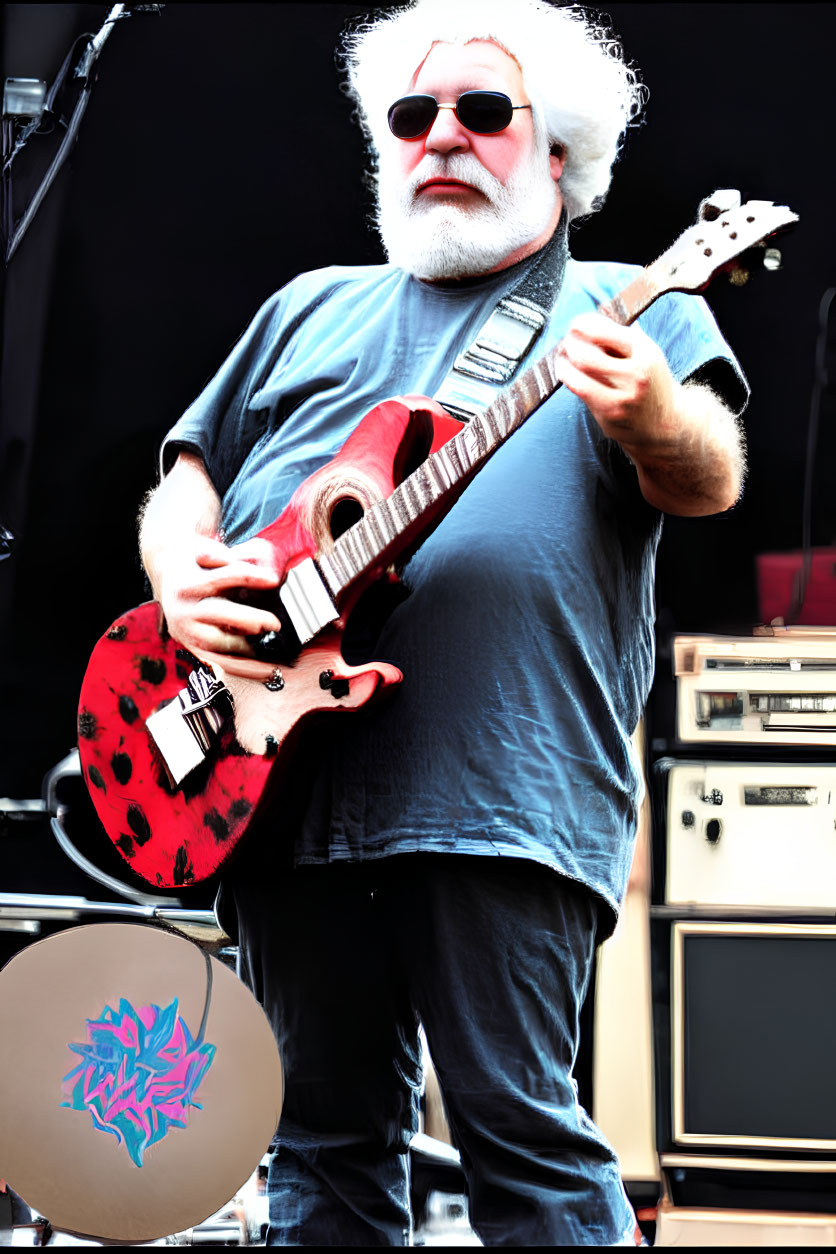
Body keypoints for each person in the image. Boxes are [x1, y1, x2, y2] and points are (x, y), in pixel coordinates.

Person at [139, 0, 747, 1243]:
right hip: (279, 785)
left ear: (559, 150)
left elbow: (709, 475)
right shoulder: (308, 305)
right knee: (315, 1143)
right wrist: (176, 577)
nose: (441, 139)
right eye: (412, 116)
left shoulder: (625, 301)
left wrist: (645, 419)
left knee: (519, 1134)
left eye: (482, 112)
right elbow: (186, 475)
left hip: (498, 795)